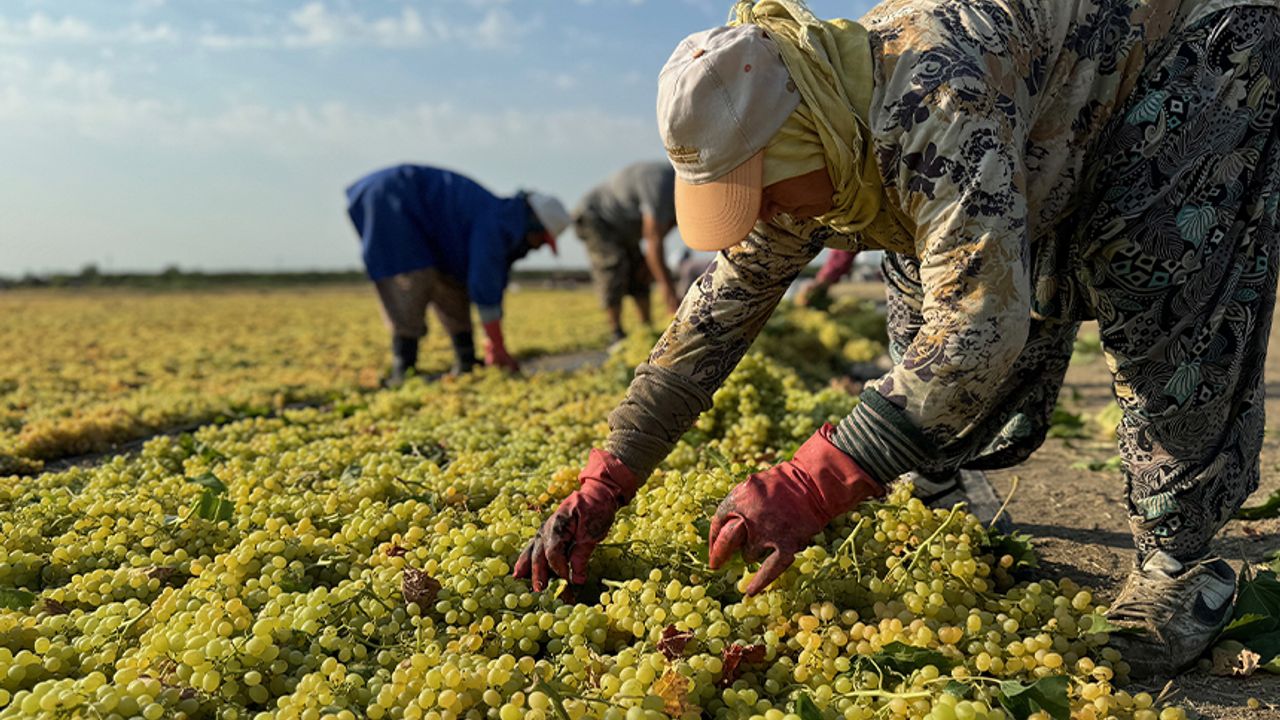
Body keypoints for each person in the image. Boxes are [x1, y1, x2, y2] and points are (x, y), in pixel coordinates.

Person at [516, 0, 1280, 678]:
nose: (766, 214)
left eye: (767, 189)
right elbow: (711, 322)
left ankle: (1182, 559)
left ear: (806, 141)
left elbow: (980, 322)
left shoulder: (936, 97)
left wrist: (814, 480)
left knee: (1156, 273)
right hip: (1050, 104)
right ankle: (944, 468)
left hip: (1184, 56)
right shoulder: (815, 129)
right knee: (930, 330)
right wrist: (605, 482)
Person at [345, 164, 570, 385]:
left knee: (450, 282)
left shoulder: (499, 218)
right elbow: (484, 283)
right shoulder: (496, 225)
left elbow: (468, 280)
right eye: (541, 240)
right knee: (409, 278)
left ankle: (466, 360)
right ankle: (403, 368)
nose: (537, 248)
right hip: (393, 199)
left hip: (410, 208)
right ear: (533, 224)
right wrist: (497, 346)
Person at [572, 161, 680, 342]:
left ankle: (646, 330)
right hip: (596, 217)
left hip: (626, 224)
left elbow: (664, 230)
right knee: (612, 266)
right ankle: (616, 334)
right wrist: (670, 296)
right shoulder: (661, 185)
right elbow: (654, 239)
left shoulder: (683, 196)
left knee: (640, 271)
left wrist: (648, 262)